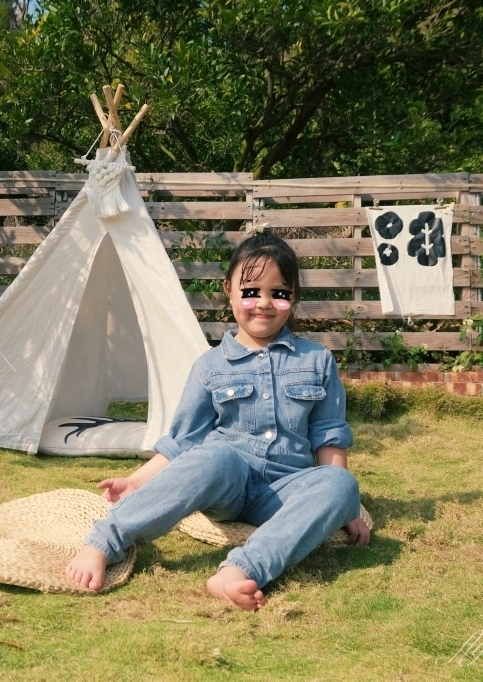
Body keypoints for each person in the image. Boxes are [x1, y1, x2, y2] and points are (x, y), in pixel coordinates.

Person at [65, 229, 369, 610]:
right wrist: (137, 481)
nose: (264, 303)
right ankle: (105, 540)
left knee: (341, 484)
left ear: (294, 298)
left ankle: (240, 571)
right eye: (251, 291)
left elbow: (328, 436)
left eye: (279, 293)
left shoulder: (317, 361)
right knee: (215, 456)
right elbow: (184, 441)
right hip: (228, 486)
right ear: (229, 290)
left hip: (287, 489)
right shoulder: (210, 366)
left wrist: (347, 505)